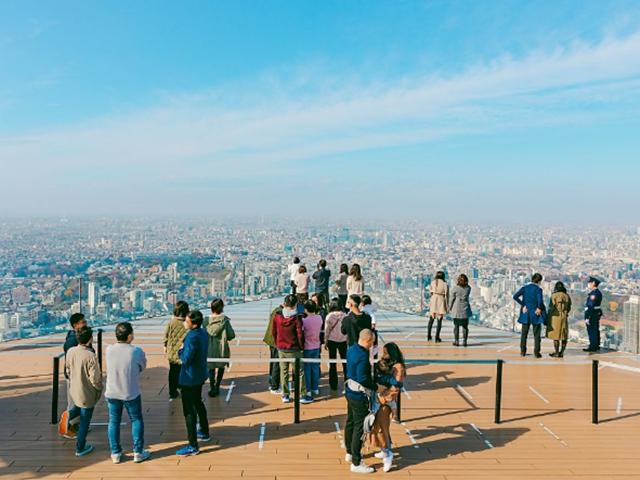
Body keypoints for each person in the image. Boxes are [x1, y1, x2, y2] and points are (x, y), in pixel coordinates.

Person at [105, 322, 150, 464]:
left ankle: (115, 453)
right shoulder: (135, 351)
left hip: (112, 392)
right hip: (130, 391)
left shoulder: (109, 350)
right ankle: (138, 452)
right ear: (130, 336)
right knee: (136, 420)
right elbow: (142, 366)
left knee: (114, 421)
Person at [344, 329, 379, 474]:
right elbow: (363, 378)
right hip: (359, 394)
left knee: (350, 422)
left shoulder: (351, 349)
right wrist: (376, 386)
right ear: (368, 341)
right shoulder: (363, 356)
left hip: (349, 390)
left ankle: (350, 452)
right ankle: (356, 462)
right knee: (360, 427)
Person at [176, 310, 210, 456]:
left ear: (193, 323)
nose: (185, 322)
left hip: (189, 378)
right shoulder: (203, 333)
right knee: (198, 402)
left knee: (189, 411)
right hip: (200, 374)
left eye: (187, 320)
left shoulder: (191, 337)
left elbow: (186, 358)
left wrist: (180, 351)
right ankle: (204, 431)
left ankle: (192, 445)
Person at [65, 326, 102, 457]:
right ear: (91, 339)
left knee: (76, 408)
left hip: (74, 389)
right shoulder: (91, 356)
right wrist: (99, 388)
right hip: (87, 393)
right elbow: (95, 379)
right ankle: (80, 447)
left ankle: (68, 417)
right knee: (85, 421)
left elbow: (68, 370)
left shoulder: (70, 351)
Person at [369, 342, 406, 473]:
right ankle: (384, 449)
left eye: (386, 352)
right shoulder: (388, 363)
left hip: (386, 401)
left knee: (382, 428)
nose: (384, 355)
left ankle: (388, 453)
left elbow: (395, 388)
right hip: (380, 397)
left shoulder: (398, 367)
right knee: (378, 426)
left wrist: (383, 398)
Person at [61, 312, 90, 438]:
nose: (85, 324)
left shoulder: (74, 337)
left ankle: (77, 427)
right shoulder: (73, 341)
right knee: (73, 403)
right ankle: (68, 428)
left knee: (77, 402)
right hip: (74, 377)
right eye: (83, 322)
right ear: (75, 325)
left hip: (76, 376)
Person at [272, 294, 306, 403]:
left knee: (284, 371)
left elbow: (274, 332)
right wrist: (301, 347)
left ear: (284, 303)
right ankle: (302, 394)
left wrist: (277, 343)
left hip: (281, 348)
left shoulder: (277, 317)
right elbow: (300, 335)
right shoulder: (297, 319)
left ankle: (285, 395)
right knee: (300, 372)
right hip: (294, 348)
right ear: (295, 304)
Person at [204, 298, 235, 397]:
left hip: (209, 348)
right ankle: (217, 385)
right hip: (221, 348)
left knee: (211, 368)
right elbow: (231, 335)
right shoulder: (224, 320)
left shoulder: (205, 320)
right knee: (221, 367)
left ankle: (212, 386)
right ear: (222, 308)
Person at [513, 273, 546, 358]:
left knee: (524, 334)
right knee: (537, 334)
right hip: (535, 313)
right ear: (539, 281)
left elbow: (515, 296)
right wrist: (539, 308)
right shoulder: (538, 289)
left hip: (526, 312)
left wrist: (523, 305)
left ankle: (522, 351)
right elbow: (540, 301)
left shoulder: (525, 288)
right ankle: (536, 352)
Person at [164, 301, 188, 401]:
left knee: (173, 372)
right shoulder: (187, 323)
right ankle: (183, 389)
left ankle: (172, 391)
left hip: (172, 351)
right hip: (183, 352)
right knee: (183, 372)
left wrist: (165, 346)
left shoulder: (171, 322)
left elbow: (166, 336)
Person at [302, 300, 323, 403]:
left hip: (307, 347)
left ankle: (308, 390)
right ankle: (316, 388)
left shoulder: (304, 321)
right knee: (315, 368)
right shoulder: (319, 318)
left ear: (305, 309)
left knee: (307, 370)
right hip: (316, 346)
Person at [324, 299, 347, 391]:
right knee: (345, 363)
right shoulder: (345, 315)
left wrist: (325, 341)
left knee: (332, 362)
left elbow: (327, 330)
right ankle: (347, 383)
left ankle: (333, 384)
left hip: (332, 341)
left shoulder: (329, 316)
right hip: (343, 340)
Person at [546, 281, 572, 358]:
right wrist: (566, 312)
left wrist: (548, 317)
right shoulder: (567, 296)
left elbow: (551, 307)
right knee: (564, 335)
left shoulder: (554, 295)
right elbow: (569, 307)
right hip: (564, 316)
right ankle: (562, 352)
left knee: (556, 336)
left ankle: (556, 352)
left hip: (555, 316)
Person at [263, 301, 283, 394]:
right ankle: (274, 386)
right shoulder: (280, 313)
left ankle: (271, 380)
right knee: (277, 363)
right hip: (275, 341)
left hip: (270, 339)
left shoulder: (276, 310)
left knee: (273, 361)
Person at [449, 274, 472, 347]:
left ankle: (456, 341)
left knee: (456, 326)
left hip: (457, 309)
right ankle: (465, 341)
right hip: (465, 309)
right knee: (465, 327)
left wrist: (450, 307)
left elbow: (451, 299)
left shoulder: (455, 288)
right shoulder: (468, 288)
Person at [583, 276, 603, 353]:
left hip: (592, 314)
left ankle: (593, 346)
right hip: (595, 313)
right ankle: (596, 345)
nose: (588, 284)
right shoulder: (597, 292)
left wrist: (588, 316)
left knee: (592, 330)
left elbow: (591, 305)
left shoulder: (594, 294)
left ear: (594, 283)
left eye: (589, 283)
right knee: (595, 329)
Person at [428, 271, 449, 342]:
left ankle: (429, 335)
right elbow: (447, 294)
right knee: (439, 320)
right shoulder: (444, 284)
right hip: (441, 299)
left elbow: (430, 291)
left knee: (431, 319)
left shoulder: (433, 282)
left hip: (434, 299)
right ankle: (437, 337)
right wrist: (447, 305)